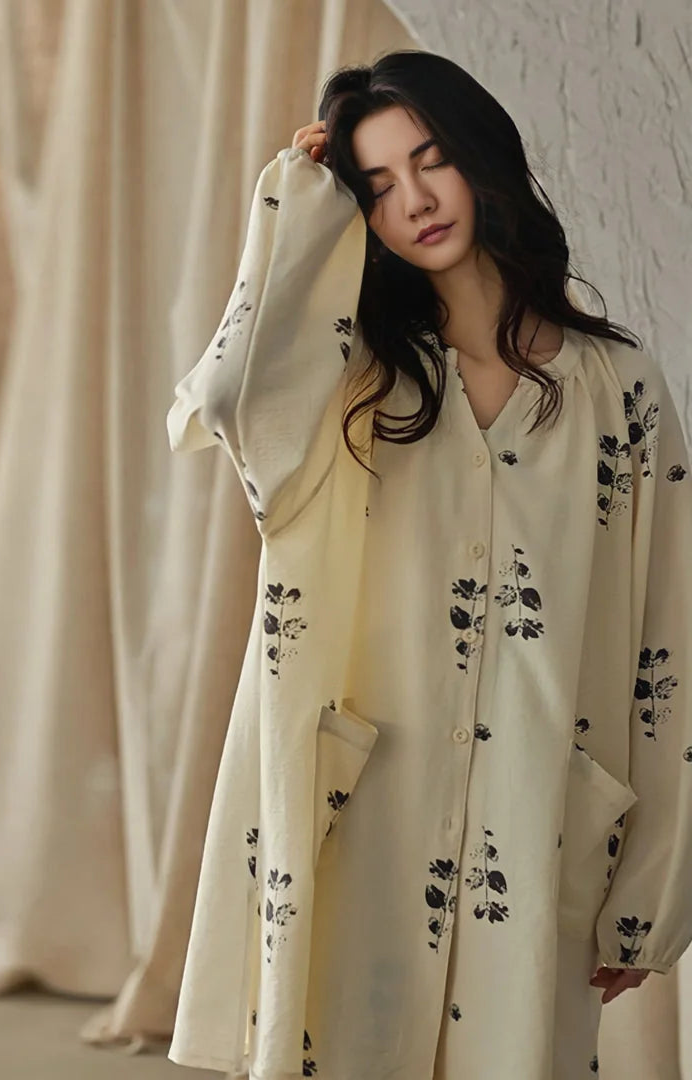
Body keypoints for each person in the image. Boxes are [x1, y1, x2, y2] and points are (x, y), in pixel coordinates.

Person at [165, 50, 692, 1080]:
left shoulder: (618, 384)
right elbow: (227, 399)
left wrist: (654, 890)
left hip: (540, 821)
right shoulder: (349, 380)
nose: (413, 201)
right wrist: (295, 199)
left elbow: (669, 642)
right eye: (375, 186)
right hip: (366, 811)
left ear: (481, 155)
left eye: (432, 160)